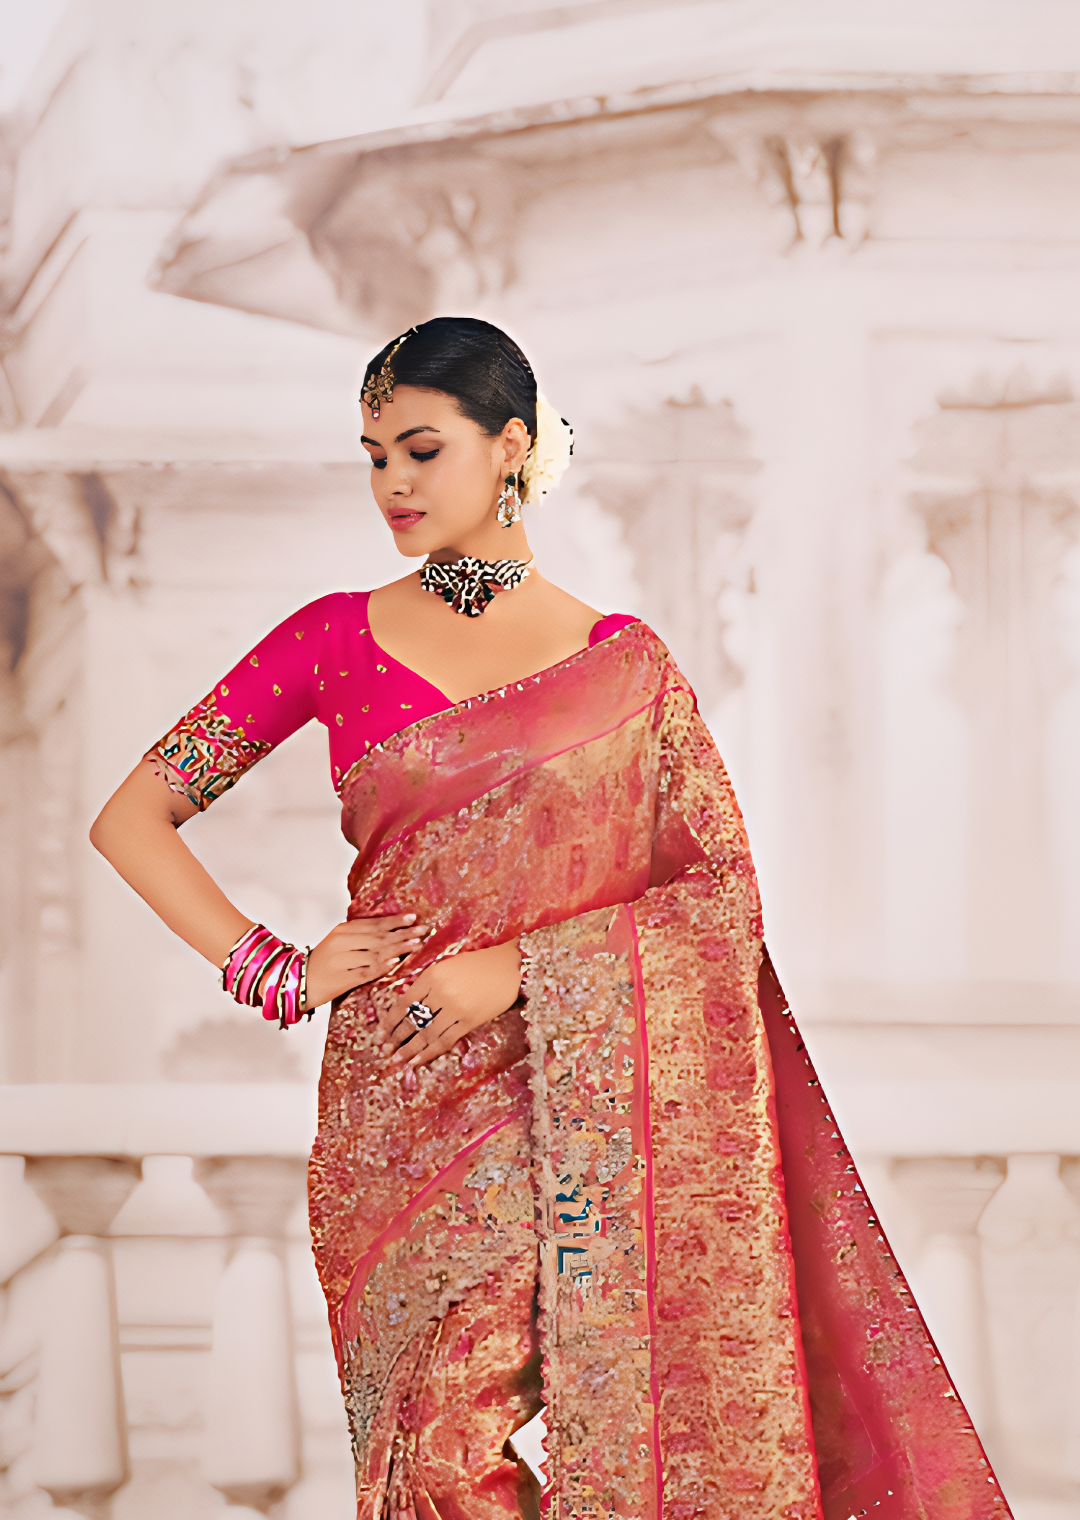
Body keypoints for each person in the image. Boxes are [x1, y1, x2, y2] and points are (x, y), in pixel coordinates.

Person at [91, 318, 1010, 1520]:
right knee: (430, 1457)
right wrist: (276, 968)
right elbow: (132, 817)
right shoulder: (327, 638)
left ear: (512, 444)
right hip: (397, 1108)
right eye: (375, 456)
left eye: (423, 449)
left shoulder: (627, 669)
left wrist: (523, 965)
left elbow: (718, 896)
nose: (394, 483)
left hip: (580, 1110)